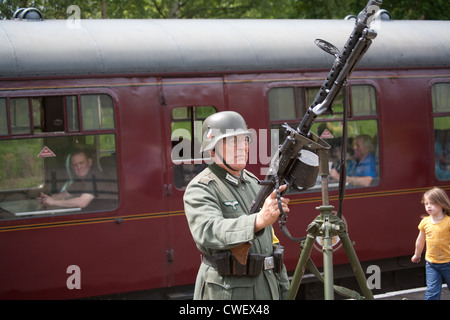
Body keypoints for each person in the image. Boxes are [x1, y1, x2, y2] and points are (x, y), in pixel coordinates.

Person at [183, 111, 290, 300]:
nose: (242, 147)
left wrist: (283, 288)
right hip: (229, 293)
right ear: (213, 149)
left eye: (245, 141)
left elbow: (271, 243)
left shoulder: (253, 182)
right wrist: (257, 220)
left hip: (267, 288)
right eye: (233, 141)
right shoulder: (201, 188)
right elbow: (208, 230)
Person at [411, 187, 450, 300]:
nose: (428, 206)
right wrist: (417, 254)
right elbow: (420, 240)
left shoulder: (448, 222)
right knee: (432, 292)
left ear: (442, 203)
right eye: (426, 203)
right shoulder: (425, 222)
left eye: (432, 203)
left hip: (448, 262)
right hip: (431, 264)